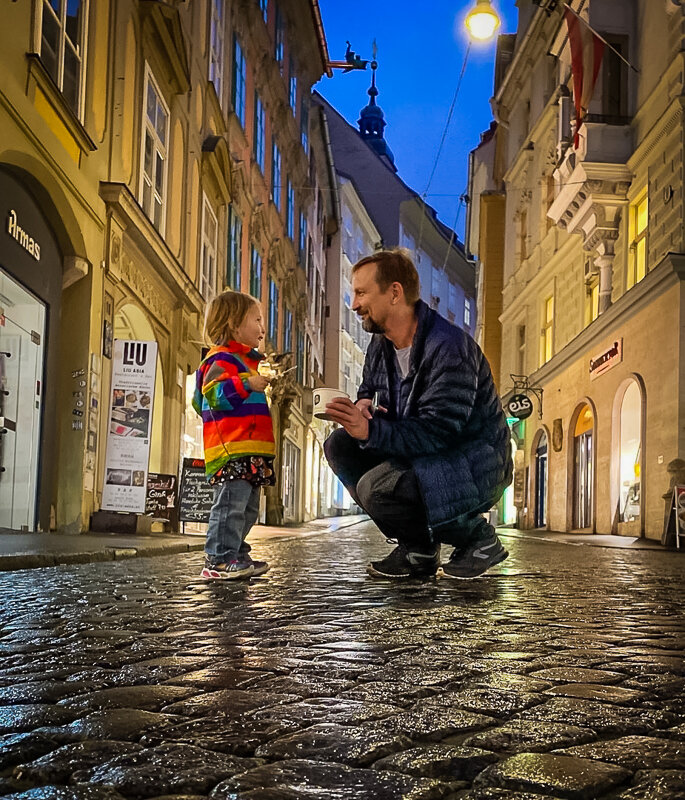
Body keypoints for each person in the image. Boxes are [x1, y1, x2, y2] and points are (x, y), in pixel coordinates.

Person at [324, 249, 513, 580]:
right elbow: (370, 389)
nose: (354, 305)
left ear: (394, 293)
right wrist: (364, 405)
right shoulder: (381, 346)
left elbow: (439, 433)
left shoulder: (449, 347)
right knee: (339, 445)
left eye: (362, 293)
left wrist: (370, 432)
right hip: (424, 452)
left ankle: (477, 539)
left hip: (472, 461)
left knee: (375, 486)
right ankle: (418, 548)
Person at [192, 291, 275, 580]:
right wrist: (246, 383)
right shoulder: (222, 359)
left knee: (248, 507)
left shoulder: (244, 362)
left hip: (249, 449)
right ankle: (218, 558)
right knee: (230, 505)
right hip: (231, 449)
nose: (263, 327)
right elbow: (212, 395)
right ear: (234, 324)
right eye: (257, 319)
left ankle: (236, 551)